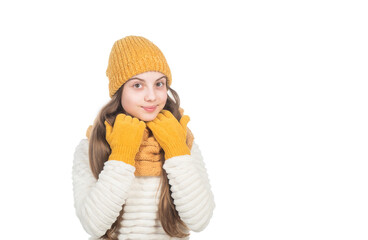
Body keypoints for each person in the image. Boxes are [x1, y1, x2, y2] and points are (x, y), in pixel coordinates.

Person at [72, 35, 215, 240]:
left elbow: (199, 221)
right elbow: (94, 225)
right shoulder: (92, 146)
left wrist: (176, 149)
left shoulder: (184, 141)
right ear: (119, 91)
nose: (152, 96)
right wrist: (122, 154)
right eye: (137, 85)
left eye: (159, 84)